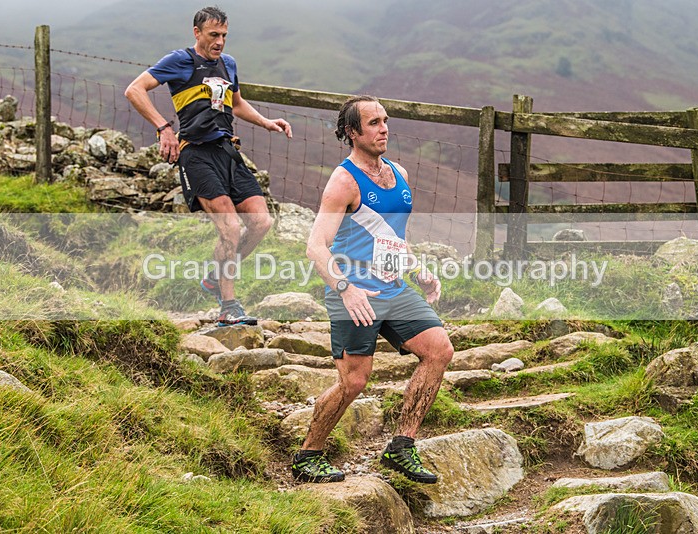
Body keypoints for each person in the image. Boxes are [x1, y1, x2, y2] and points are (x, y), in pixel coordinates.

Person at [291, 95, 454, 484]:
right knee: (354, 382)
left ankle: (402, 447)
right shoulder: (343, 182)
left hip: (393, 288)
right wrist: (346, 289)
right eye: (374, 123)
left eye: (385, 120)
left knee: (439, 350)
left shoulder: (398, 173)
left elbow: (393, 235)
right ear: (352, 132)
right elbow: (316, 246)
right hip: (353, 292)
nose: (384, 129)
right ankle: (308, 455)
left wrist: (417, 270)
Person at [125, 5, 292, 326]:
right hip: (196, 153)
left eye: (225, 36)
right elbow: (135, 90)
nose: (220, 42)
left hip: (227, 151)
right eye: (214, 35)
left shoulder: (228, 64)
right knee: (230, 228)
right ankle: (228, 305)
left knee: (261, 222)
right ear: (197, 33)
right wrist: (164, 127)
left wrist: (266, 122)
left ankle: (216, 276)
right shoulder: (180, 61)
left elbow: (237, 103)